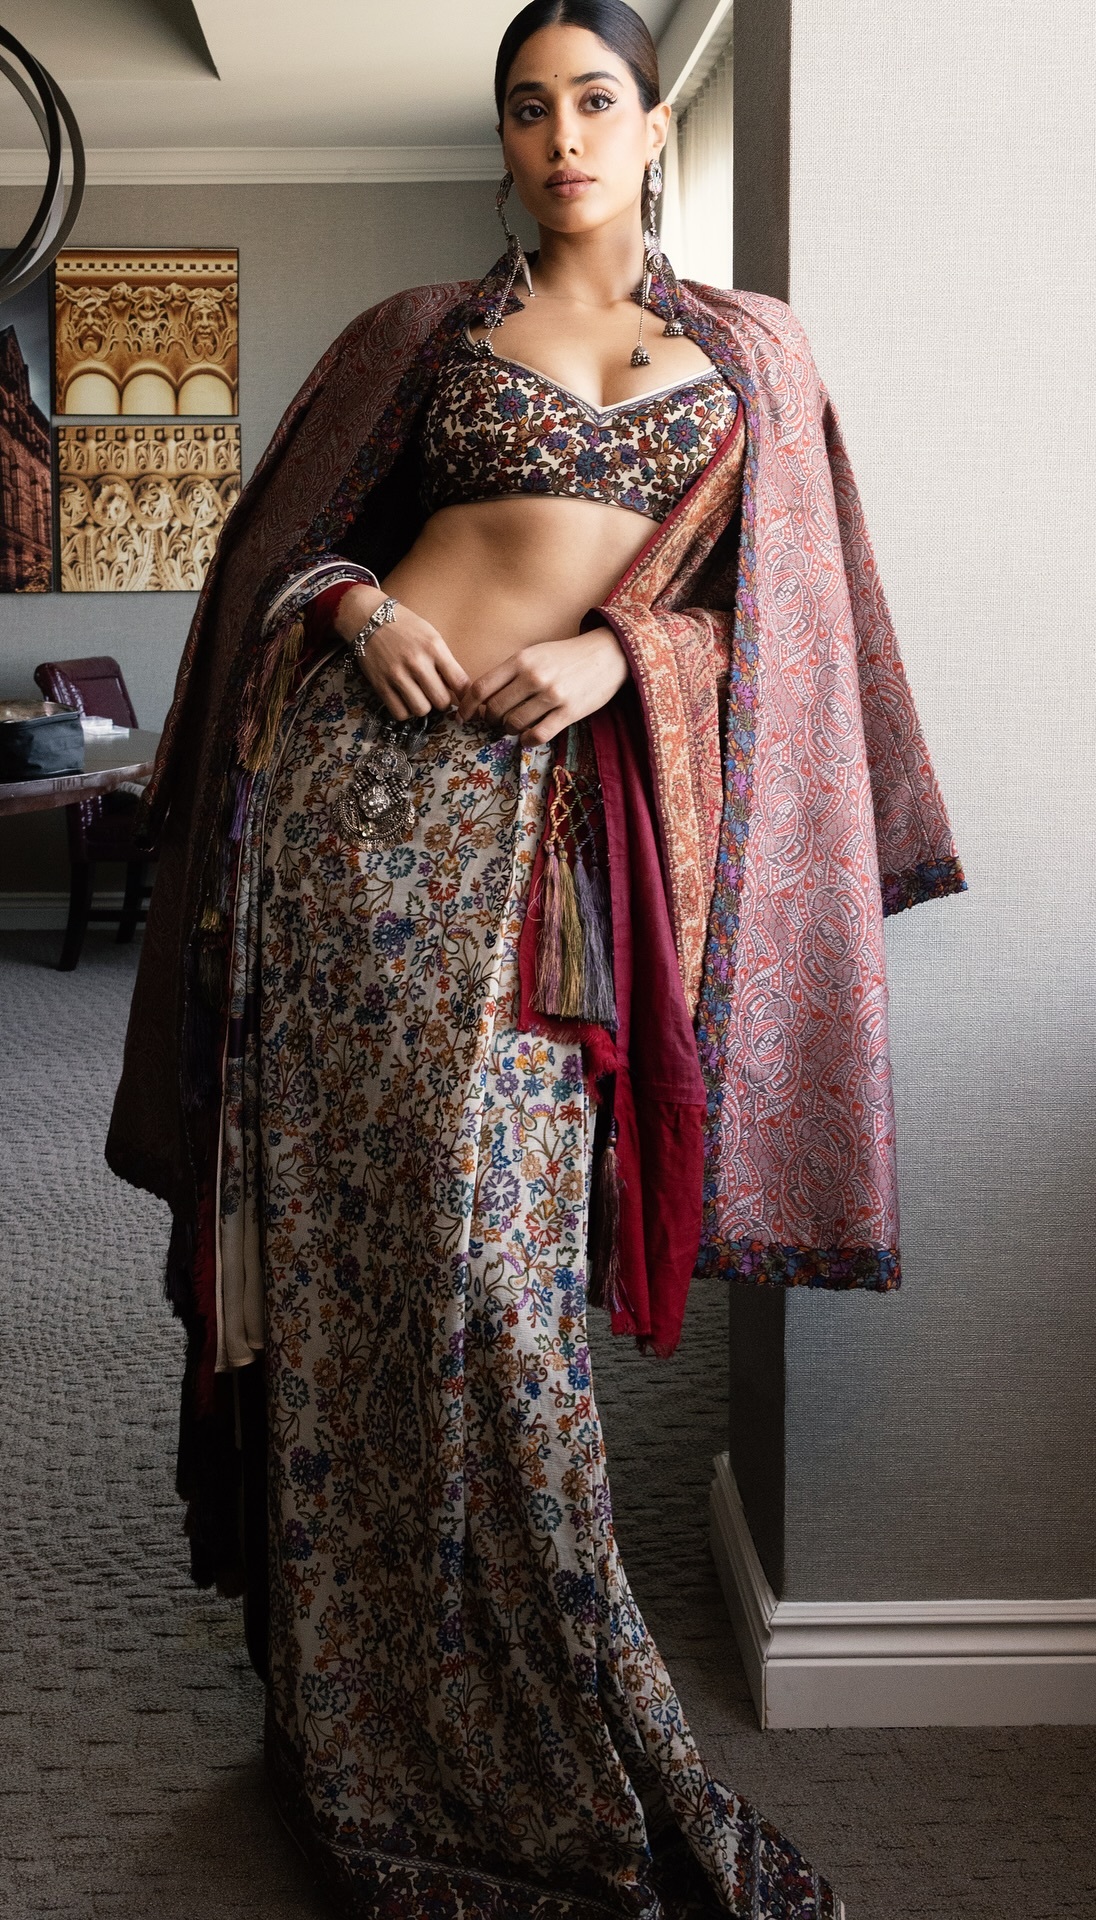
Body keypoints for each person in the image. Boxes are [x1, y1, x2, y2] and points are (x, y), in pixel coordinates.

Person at [107, 2, 965, 1914]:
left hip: (552, 861)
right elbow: (276, 557)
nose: (560, 134)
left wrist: (620, 656)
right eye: (526, 106)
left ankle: (542, 1717)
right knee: (348, 1263)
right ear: (501, 137)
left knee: (494, 1294)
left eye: (594, 100)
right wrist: (349, 610)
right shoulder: (420, 336)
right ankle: (348, 1714)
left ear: (654, 125)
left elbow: (798, 642)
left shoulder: (753, 357)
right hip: (353, 821)